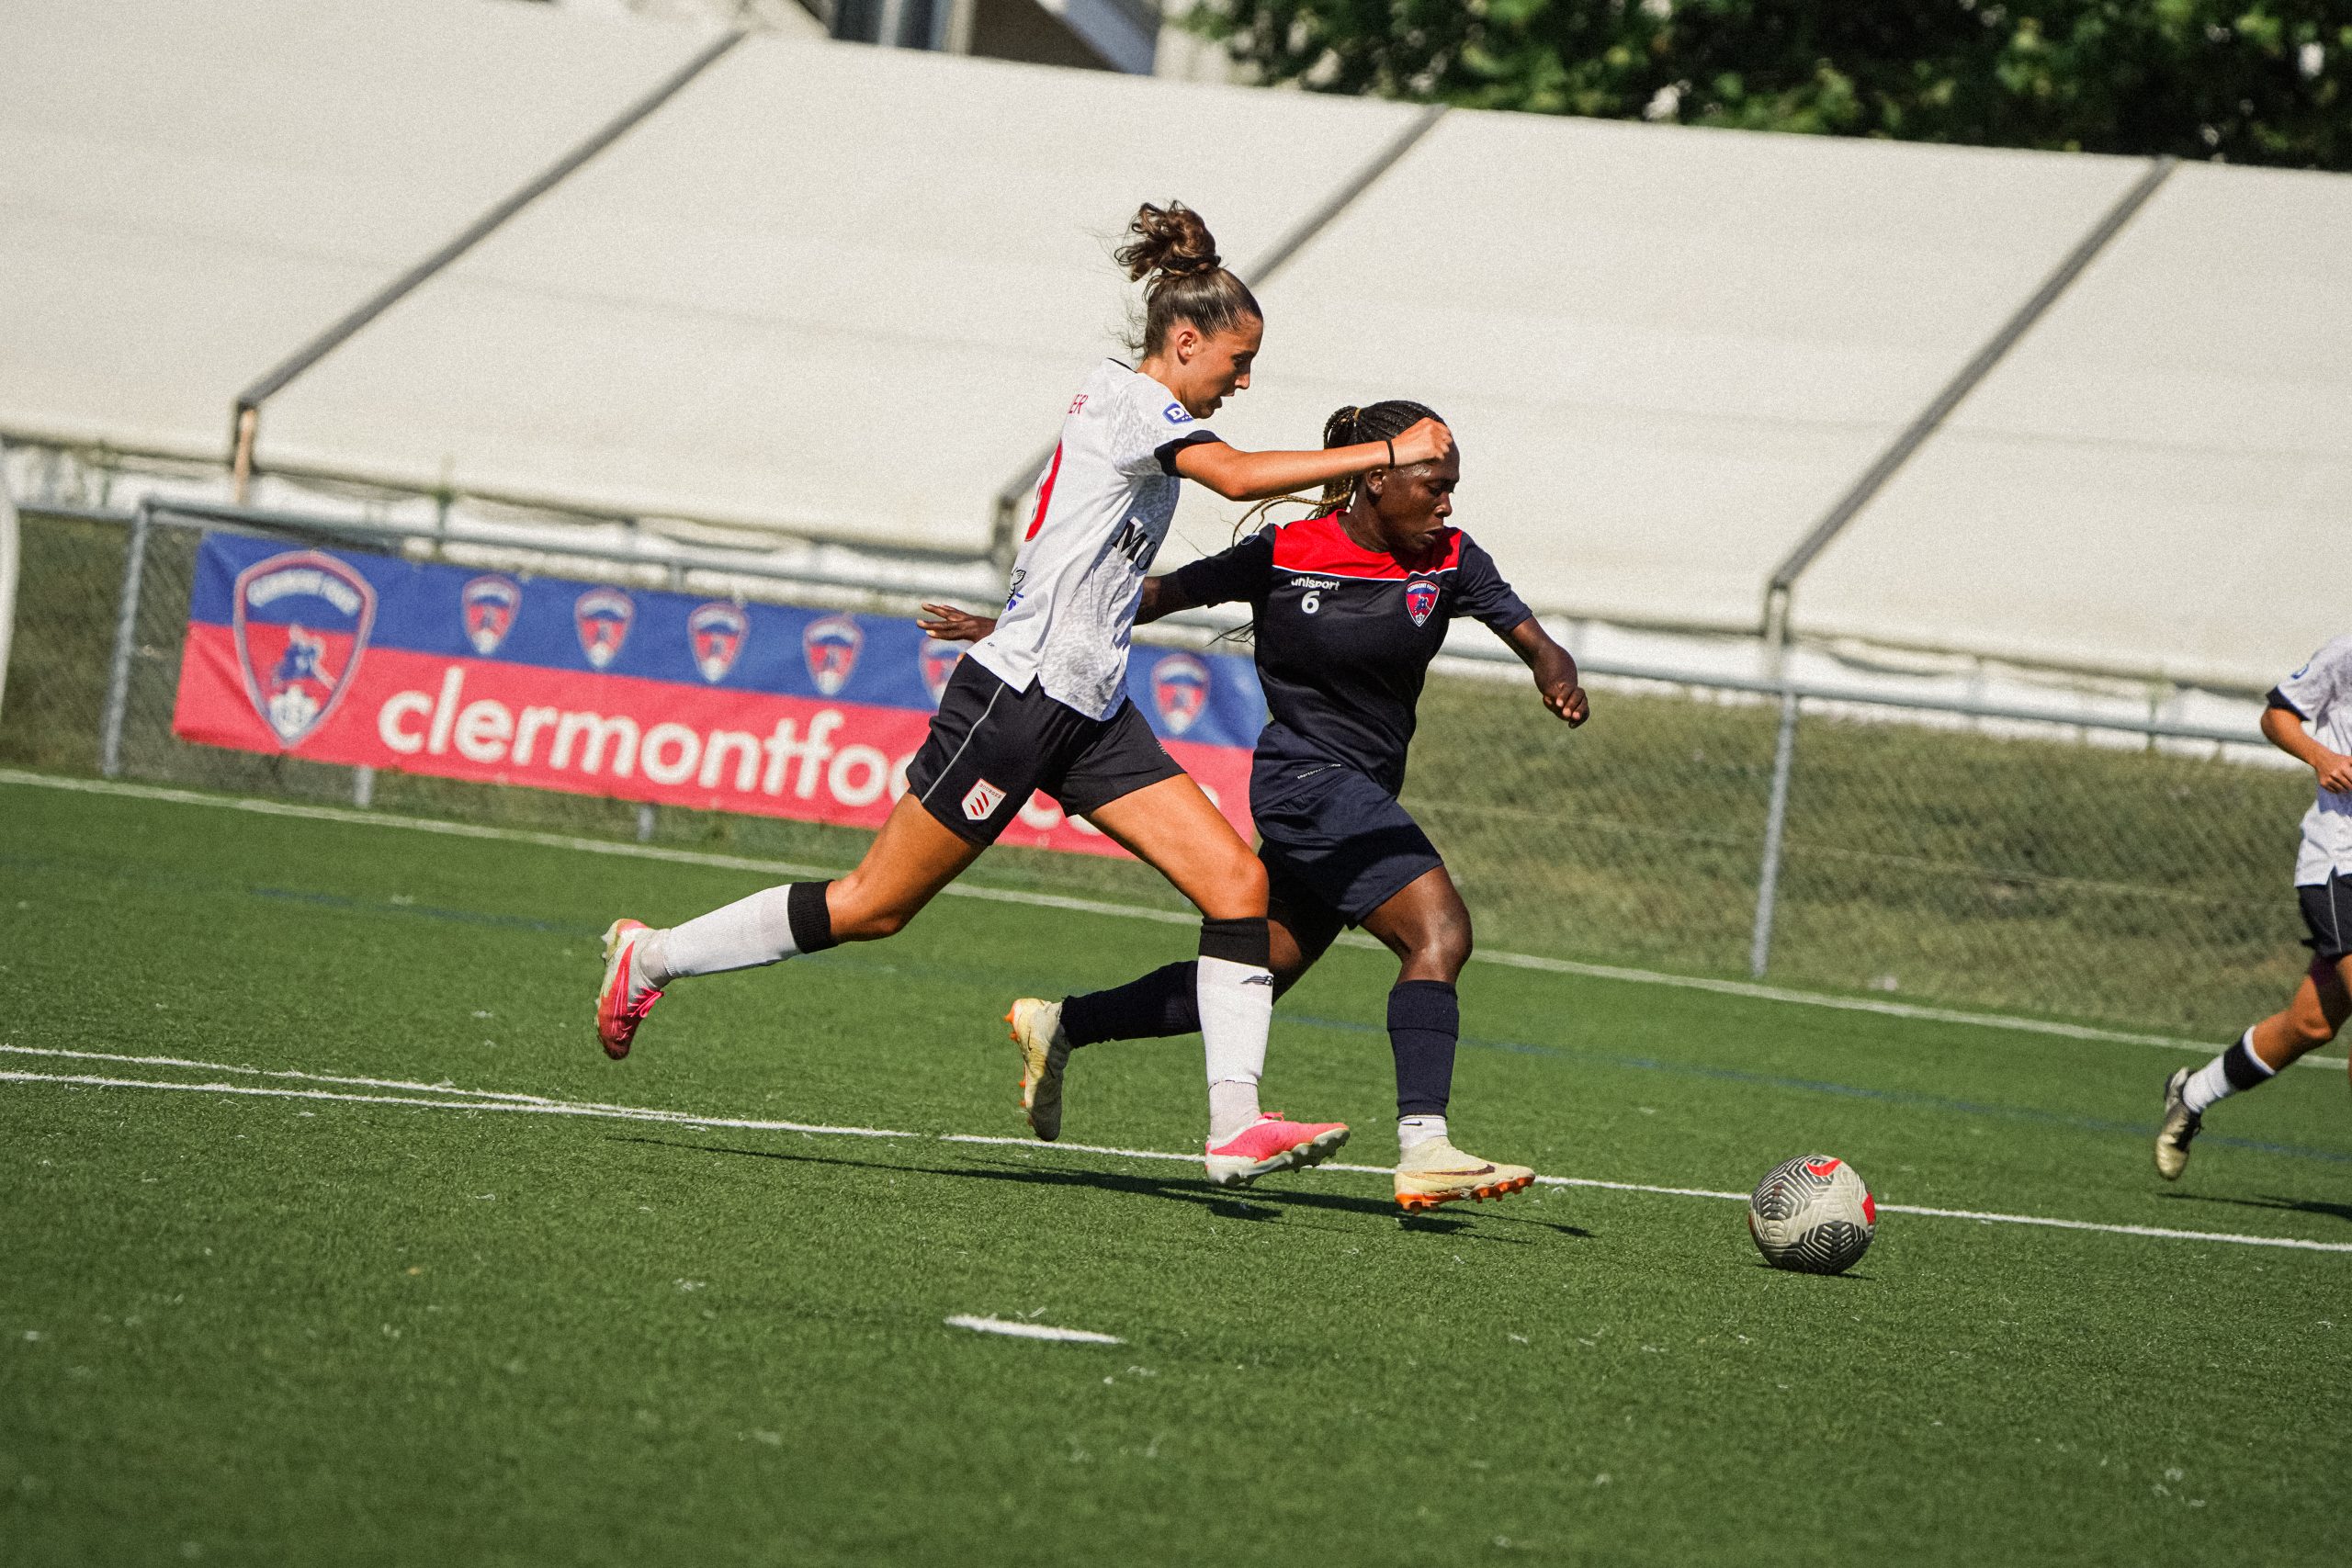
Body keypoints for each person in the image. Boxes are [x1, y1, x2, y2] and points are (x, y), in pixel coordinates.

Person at [594, 202, 1453, 1190]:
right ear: (1185, 342)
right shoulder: (1132, 403)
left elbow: (1082, 552)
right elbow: (1240, 478)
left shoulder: (1147, 414)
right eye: (1238, 360)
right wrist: (1385, 451)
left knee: (1235, 886)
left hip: (1089, 711)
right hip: (1018, 704)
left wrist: (1019, 611)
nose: (1244, 380)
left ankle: (1234, 1125)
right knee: (874, 906)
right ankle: (651, 958)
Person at [919, 400, 1589, 1212]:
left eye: (1452, 486)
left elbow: (1536, 640)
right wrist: (1009, 628)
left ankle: (1062, 1024)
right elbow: (1150, 597)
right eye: (1434, 485)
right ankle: (1425, 1145)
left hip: (1360, 794)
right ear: (1376, 478)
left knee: (1248, 978)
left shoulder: (1452, 558)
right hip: (1304, 783)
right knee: (1440, 932)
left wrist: (1555, 673)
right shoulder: (1288, 550)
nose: (1447, 502)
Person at [2155, 634, 2352, 1179]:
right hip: (2341, 864)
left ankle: (2192, 1095)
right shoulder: (2349, 652)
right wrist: (2321, 756)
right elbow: (2277, 715)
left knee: (2311, 1024)